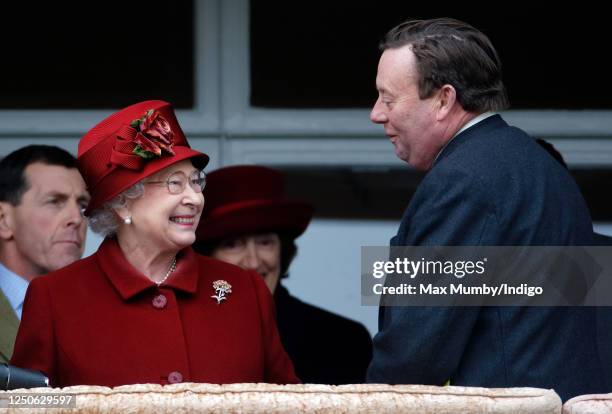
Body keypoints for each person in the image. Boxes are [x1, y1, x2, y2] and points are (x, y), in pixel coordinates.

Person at [366, 18, 609, 401]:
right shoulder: (536, 165)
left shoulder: (463, 180)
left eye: (389, 98)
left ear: (444, 99)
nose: (376, 113)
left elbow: (416, 352)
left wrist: (369, 405)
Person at [11, 101, 298, 387]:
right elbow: (25, 404)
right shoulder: (55, 297)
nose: (195, 198)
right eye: (174, 183)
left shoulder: (246, 291)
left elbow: (291, 401)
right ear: (123, 204)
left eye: (196, 182)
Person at [194, 165, 373, 384]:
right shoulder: (184, 332)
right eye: (233, 245)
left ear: (283, 250)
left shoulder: (341, 339)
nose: (253, 261)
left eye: (265, 242)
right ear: (208, 256)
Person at [0, 145, 89, 364]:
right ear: (3, 220)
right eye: (54, 202)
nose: (76, 218)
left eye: (83, 205)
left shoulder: (100, 306)